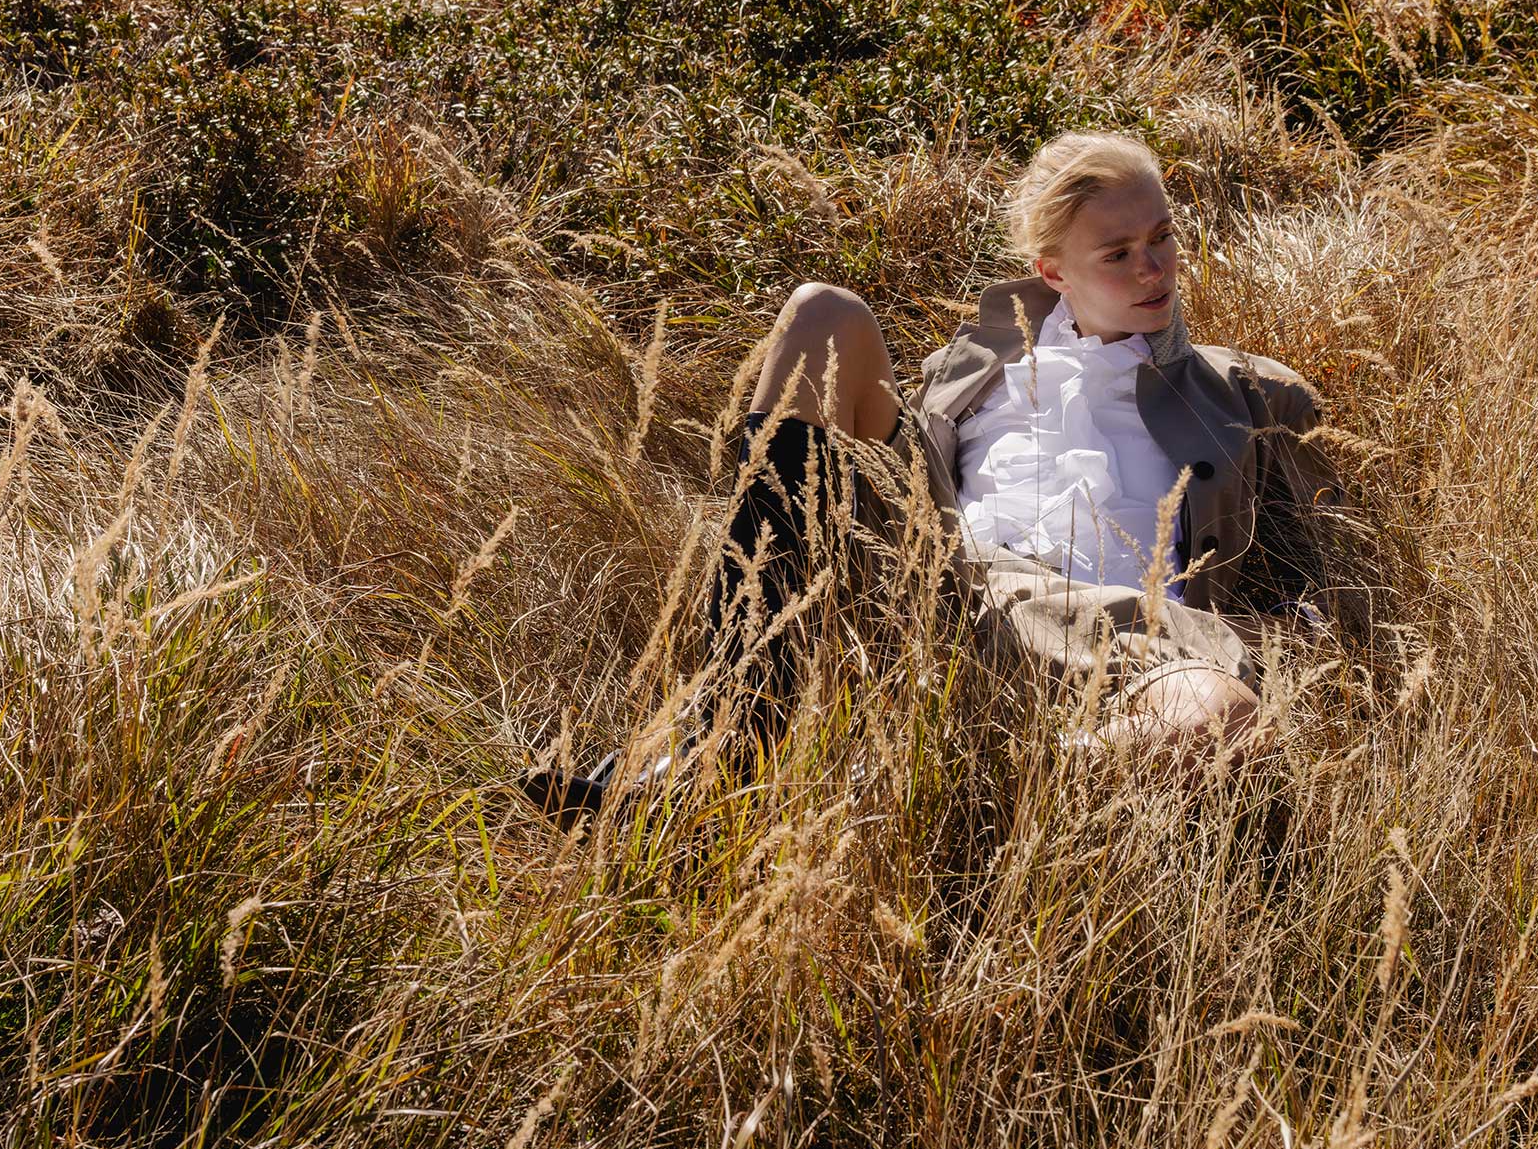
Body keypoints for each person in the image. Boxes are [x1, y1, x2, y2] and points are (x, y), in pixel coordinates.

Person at [521, 131, 1352, 821]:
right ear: (1054, 270)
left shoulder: (1246, 390)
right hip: (945, 583)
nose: (1155, 269)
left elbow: (1323, 575)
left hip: (1125, 635)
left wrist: (1293, 635)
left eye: (1163, 237)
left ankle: (874, 804)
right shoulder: (969, 368)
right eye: (1120, 252)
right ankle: (727, 739)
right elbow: (869, 471)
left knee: (1222, 718)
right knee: (822, 313)